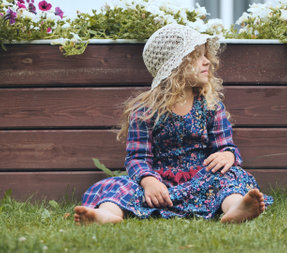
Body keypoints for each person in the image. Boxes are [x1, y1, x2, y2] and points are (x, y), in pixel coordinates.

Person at [74, 24, 273, 225]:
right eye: (197, 56)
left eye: (206, 56)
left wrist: (228, 155)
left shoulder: (211, 106)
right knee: (117, 185)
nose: (207, 62)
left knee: (232, 176)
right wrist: (149, 181)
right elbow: (137, 158)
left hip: (202, 181)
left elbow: (225, 147)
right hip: (160, 185)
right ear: (176, 65)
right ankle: (108, 214)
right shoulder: (146, 111)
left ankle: (235, 208)